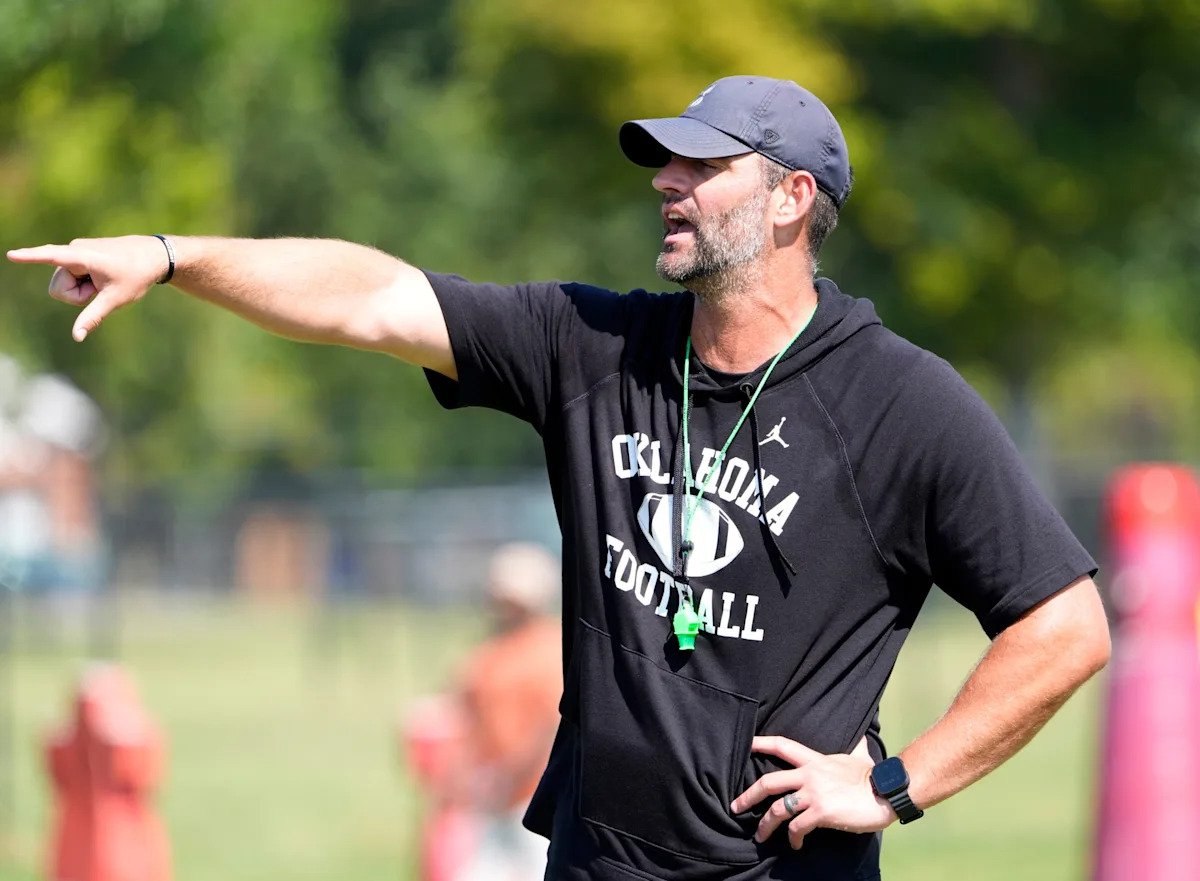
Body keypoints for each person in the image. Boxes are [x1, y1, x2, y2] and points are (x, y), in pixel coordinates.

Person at [7, 75, 1110, 881]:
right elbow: (372, 297)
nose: (667, 183)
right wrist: (173, 257)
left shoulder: (900, 402)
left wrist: (892, 784)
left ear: (789, 199)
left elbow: (1065, 624)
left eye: (703, 167)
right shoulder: (593, 346)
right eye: (667, 163)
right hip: (588, 861)